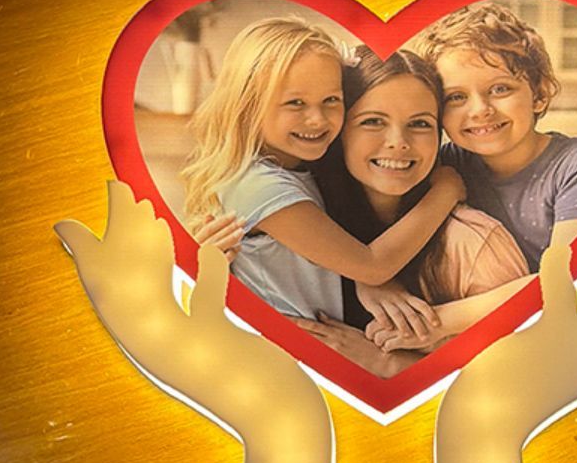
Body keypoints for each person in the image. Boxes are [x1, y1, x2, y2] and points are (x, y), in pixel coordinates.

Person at [181, 18, 463, 322]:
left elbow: (340, 253)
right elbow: (372, 266)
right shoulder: (259, 186)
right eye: (295, 103)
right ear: (248, 105)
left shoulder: (299, 167)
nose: (317, 119)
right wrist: (446, 191)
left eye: (331, 100)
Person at [301, 47, 532, 373]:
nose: (398, 142)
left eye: (420, 124)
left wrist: (387, 363)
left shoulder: (471, 243)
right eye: (373, 121)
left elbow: (523, 371)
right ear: (338, 131)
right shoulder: (304, 226)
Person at [417, 2, 577, 273]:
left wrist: (433, 310)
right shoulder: (444, 164)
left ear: (540, 94)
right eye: (456, 97)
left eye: (500, 89)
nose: (480, 110)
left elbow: (568, 281)